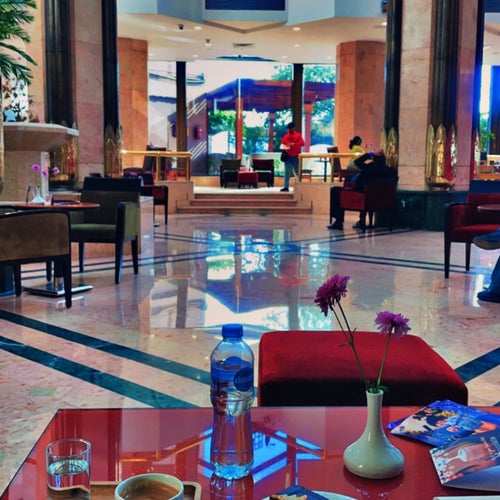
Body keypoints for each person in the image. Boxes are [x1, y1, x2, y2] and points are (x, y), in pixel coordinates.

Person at [327, 149, 397, 230]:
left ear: (373, 159)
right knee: (365, 191)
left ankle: (338, 221)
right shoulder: (391, 171)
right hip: (382, 200)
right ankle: (361, 221)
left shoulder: (369, 168)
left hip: (363, 197)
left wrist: (371, 153)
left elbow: (357, 161)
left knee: (335, 190)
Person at [280, 122, 305, 192]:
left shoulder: (298, 135)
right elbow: (283, 143)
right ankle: (286, 186)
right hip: (287, 156)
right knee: (287, 172)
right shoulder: (286, 136)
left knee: (297, 172)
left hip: (295, 156)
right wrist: (286, 145)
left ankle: (299, 186)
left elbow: (302, 143)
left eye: (290, 128)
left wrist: (293, 144)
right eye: (288, 129)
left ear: (293, 128)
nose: (289, 130)